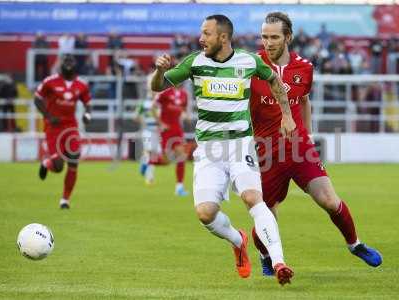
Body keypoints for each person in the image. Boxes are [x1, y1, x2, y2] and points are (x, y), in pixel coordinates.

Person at [151, 14, 296, 285]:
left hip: (241, 144)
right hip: (209, 149)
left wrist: (286, 115)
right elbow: (158, 86)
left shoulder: (249, 61)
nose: (200, 38)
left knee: (253, 197)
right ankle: (237, 240)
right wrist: (159, 71)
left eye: (206, 33)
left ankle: (279, 262)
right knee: (205, 213)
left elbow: (275, 82)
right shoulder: (195, 62)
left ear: (223, 37)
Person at [249, 12, 382, 277]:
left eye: (274, 37)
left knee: (329, 200)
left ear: (288, 37)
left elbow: (305, 100)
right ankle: (266, 256)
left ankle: (355, 245)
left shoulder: (305, 67)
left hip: (299, 149)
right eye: (264, 36)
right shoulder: (252, 66)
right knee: (267, 213)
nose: (268, 42)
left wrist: (307, 134)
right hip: (267, 151)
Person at [34, 54, 92, 209]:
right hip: (53, 127)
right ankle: (47, 163)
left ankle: (65, 200)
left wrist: (87, 115)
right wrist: (48, 116)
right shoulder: (50, 81)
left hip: (71, 127)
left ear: (75, 64)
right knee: (58, 166)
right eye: (65, 61)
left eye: (70, 61)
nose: (68, 64)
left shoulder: (81, 84)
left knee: (74, 158)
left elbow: (88, 103)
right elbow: (37, 98)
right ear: (60, 64)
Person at [141, 82, 190, 196]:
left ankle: (179, 187)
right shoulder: (165, 92)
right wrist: (160, 123)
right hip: (166, 130)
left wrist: (186, 116)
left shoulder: (184, 94)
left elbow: (183, 109)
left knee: (181, 156)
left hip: (177, 129)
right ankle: (148, 162)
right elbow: (153, 107)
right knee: (166, 161)